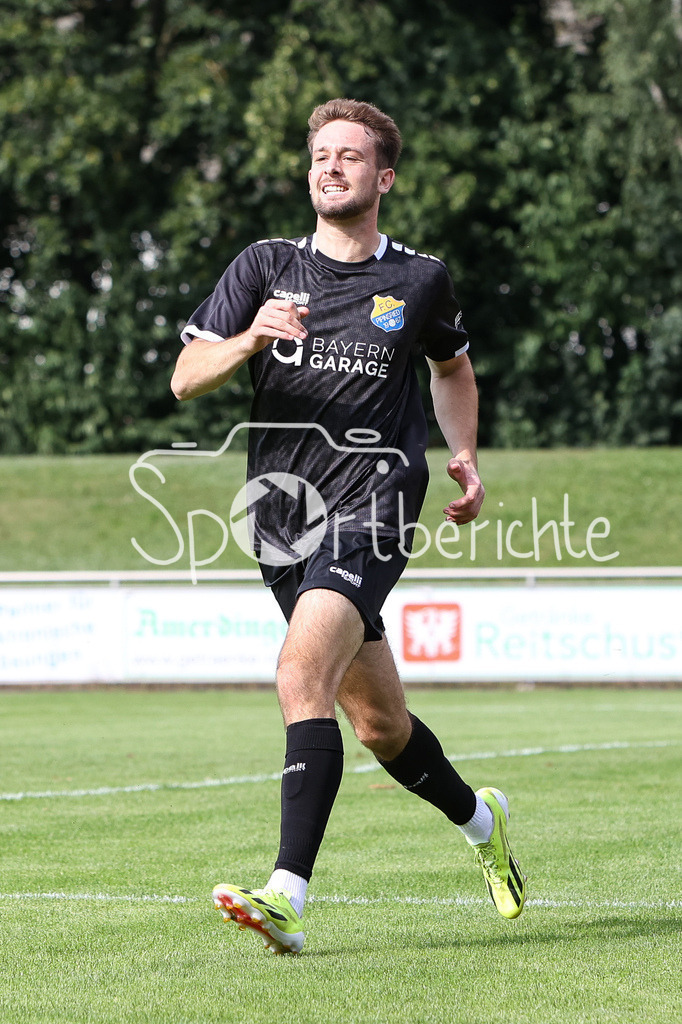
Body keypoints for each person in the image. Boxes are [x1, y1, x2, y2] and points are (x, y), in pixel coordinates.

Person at [170, 98, 526, 954]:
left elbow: (453, 367)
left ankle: (287, 897)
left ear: (384, 178)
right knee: (380, 727)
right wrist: (248, 339)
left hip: (375, 502)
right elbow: (186, 378)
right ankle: (484, 824)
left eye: (351, 157)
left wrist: (465, 456)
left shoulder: (420, 279)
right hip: (281, 516)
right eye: (321, 155)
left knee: (301, 676)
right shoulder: (263, 267)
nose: (331, 167)